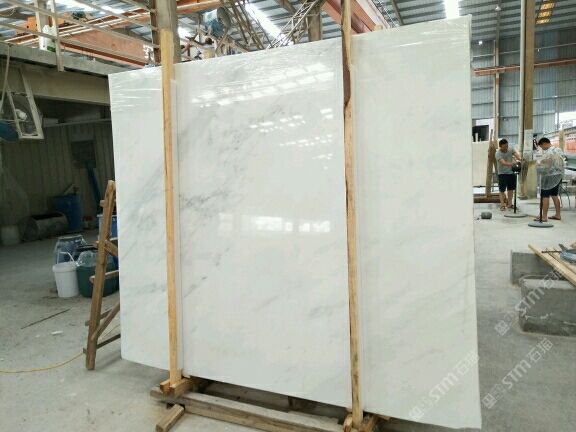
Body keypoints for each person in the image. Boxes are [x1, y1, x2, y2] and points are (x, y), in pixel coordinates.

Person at [535, 137, 565, 222]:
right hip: (558, 176)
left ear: (544, 144)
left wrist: (539, 164)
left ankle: (544, 216)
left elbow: (547, 164)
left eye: (541, 146)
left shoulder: (549, 152)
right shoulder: (558, 149)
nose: (542, 148)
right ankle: (558, 215)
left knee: (545, 196)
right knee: (554, 195)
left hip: (549, 176)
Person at [495, 139, 521, 211]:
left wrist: (520, 159)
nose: (506, 148)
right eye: (504, 147)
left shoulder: (510, 149)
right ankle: (502, 205)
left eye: (507, 146)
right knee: (502, 190)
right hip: (502, 173)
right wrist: (513, 164)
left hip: (511, 173)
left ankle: (510, 204)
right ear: (500, 146)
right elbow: (503, 163)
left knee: (511, 189)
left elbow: (517, 156)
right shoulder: (498, 153)